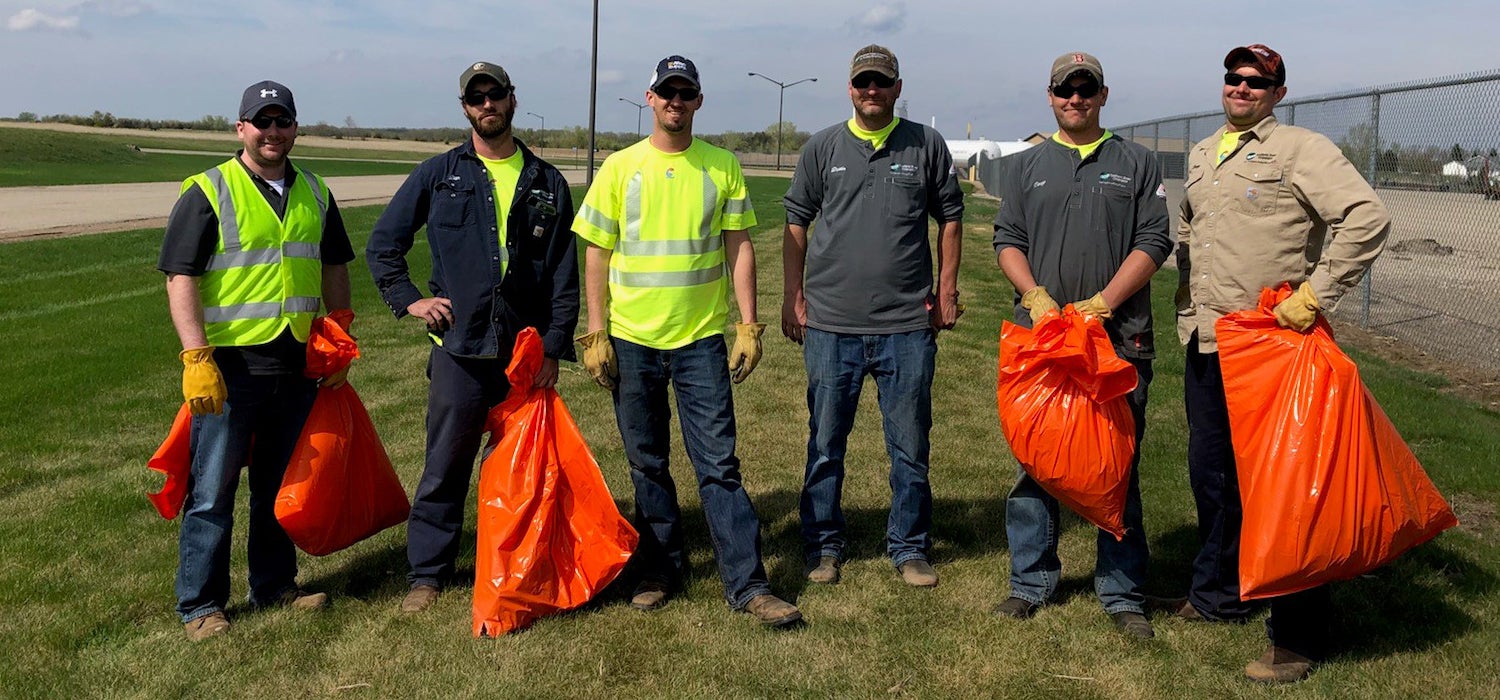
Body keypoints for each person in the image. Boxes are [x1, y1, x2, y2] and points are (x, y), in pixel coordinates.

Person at [1175, 44, 1391, 682]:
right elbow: (1191, 228)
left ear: (1278, 91)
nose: (1241, 88)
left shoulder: (1301, 149)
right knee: (1212, 477)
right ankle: (1218, 596)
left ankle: (1296, 635)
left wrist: (1314, 295)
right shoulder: (1201, 153)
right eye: (1233, 78)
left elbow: (1366, 217)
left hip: (1272, 348)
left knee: (1286, 491)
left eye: (1256, 81)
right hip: (1208, 339)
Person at [571, 55, 802, 628]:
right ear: (650, 98)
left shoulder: (721, 166)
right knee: (646, 462)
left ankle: (748, 585)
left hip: (701, 340)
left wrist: (747, 325)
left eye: (686, 93)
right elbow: (595, 253)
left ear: (698, 101)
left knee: (718, 465)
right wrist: (595, 331)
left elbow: (739, 246)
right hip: (631, 340)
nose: (675, 101)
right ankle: (660, 570)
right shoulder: (620, 167)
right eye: (666, 92)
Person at [365, 61, 579, 613]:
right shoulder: (439, 175)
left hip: (523, 354)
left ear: (512, 100)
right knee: (445, 465)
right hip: (459, 350)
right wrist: (409, 299)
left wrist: (554, 345)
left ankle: (516, 563)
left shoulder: (546, 180)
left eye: (496, 94)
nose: (487, 104)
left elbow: (562, 274)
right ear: (465, 108)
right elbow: (383, 244)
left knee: (524, 469)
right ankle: (428, 574)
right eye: (476, 97)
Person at [159, 80, 352, 641]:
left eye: (282, 121)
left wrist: (338, 329)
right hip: (229, 369)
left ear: (295, 127)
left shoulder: (315, 190)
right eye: (261, 122)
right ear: (241, 128)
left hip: (295, 364)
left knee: (277, 485)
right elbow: (180, 277)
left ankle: (273, 585)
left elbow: (335, 262)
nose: (273, 132)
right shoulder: (208, 190)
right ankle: (201, 605)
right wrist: (196, 354)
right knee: (212, 491)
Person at [989, 53, 1172, 639]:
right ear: (1049, 97)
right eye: (1064, 90)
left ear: (1103, 94)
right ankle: (1031, 581)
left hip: (1116, 342)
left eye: (1085, 89)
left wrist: (1106, 302)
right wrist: (1034, 294)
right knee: (1035, 464)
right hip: (1042, 341)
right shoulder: (1028, 165)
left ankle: (1122, 592)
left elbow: (1155, 239)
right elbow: (1007, 239)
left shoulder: (1136, 163)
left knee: (1118, 464)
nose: (1075, 99)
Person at [781, 44, 964, 588]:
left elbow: (950, 218)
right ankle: (823, 546)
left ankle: (909, 546)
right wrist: (794, 295)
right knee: (824, 444)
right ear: (850, 88)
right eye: (862, 82)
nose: (871, 91)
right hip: (831, 325)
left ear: (897, 87)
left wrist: (946, 291)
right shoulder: (823, 147)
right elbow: (796, 222)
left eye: (881, 82)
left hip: (905, 325)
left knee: (910, 446)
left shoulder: (925, 145)